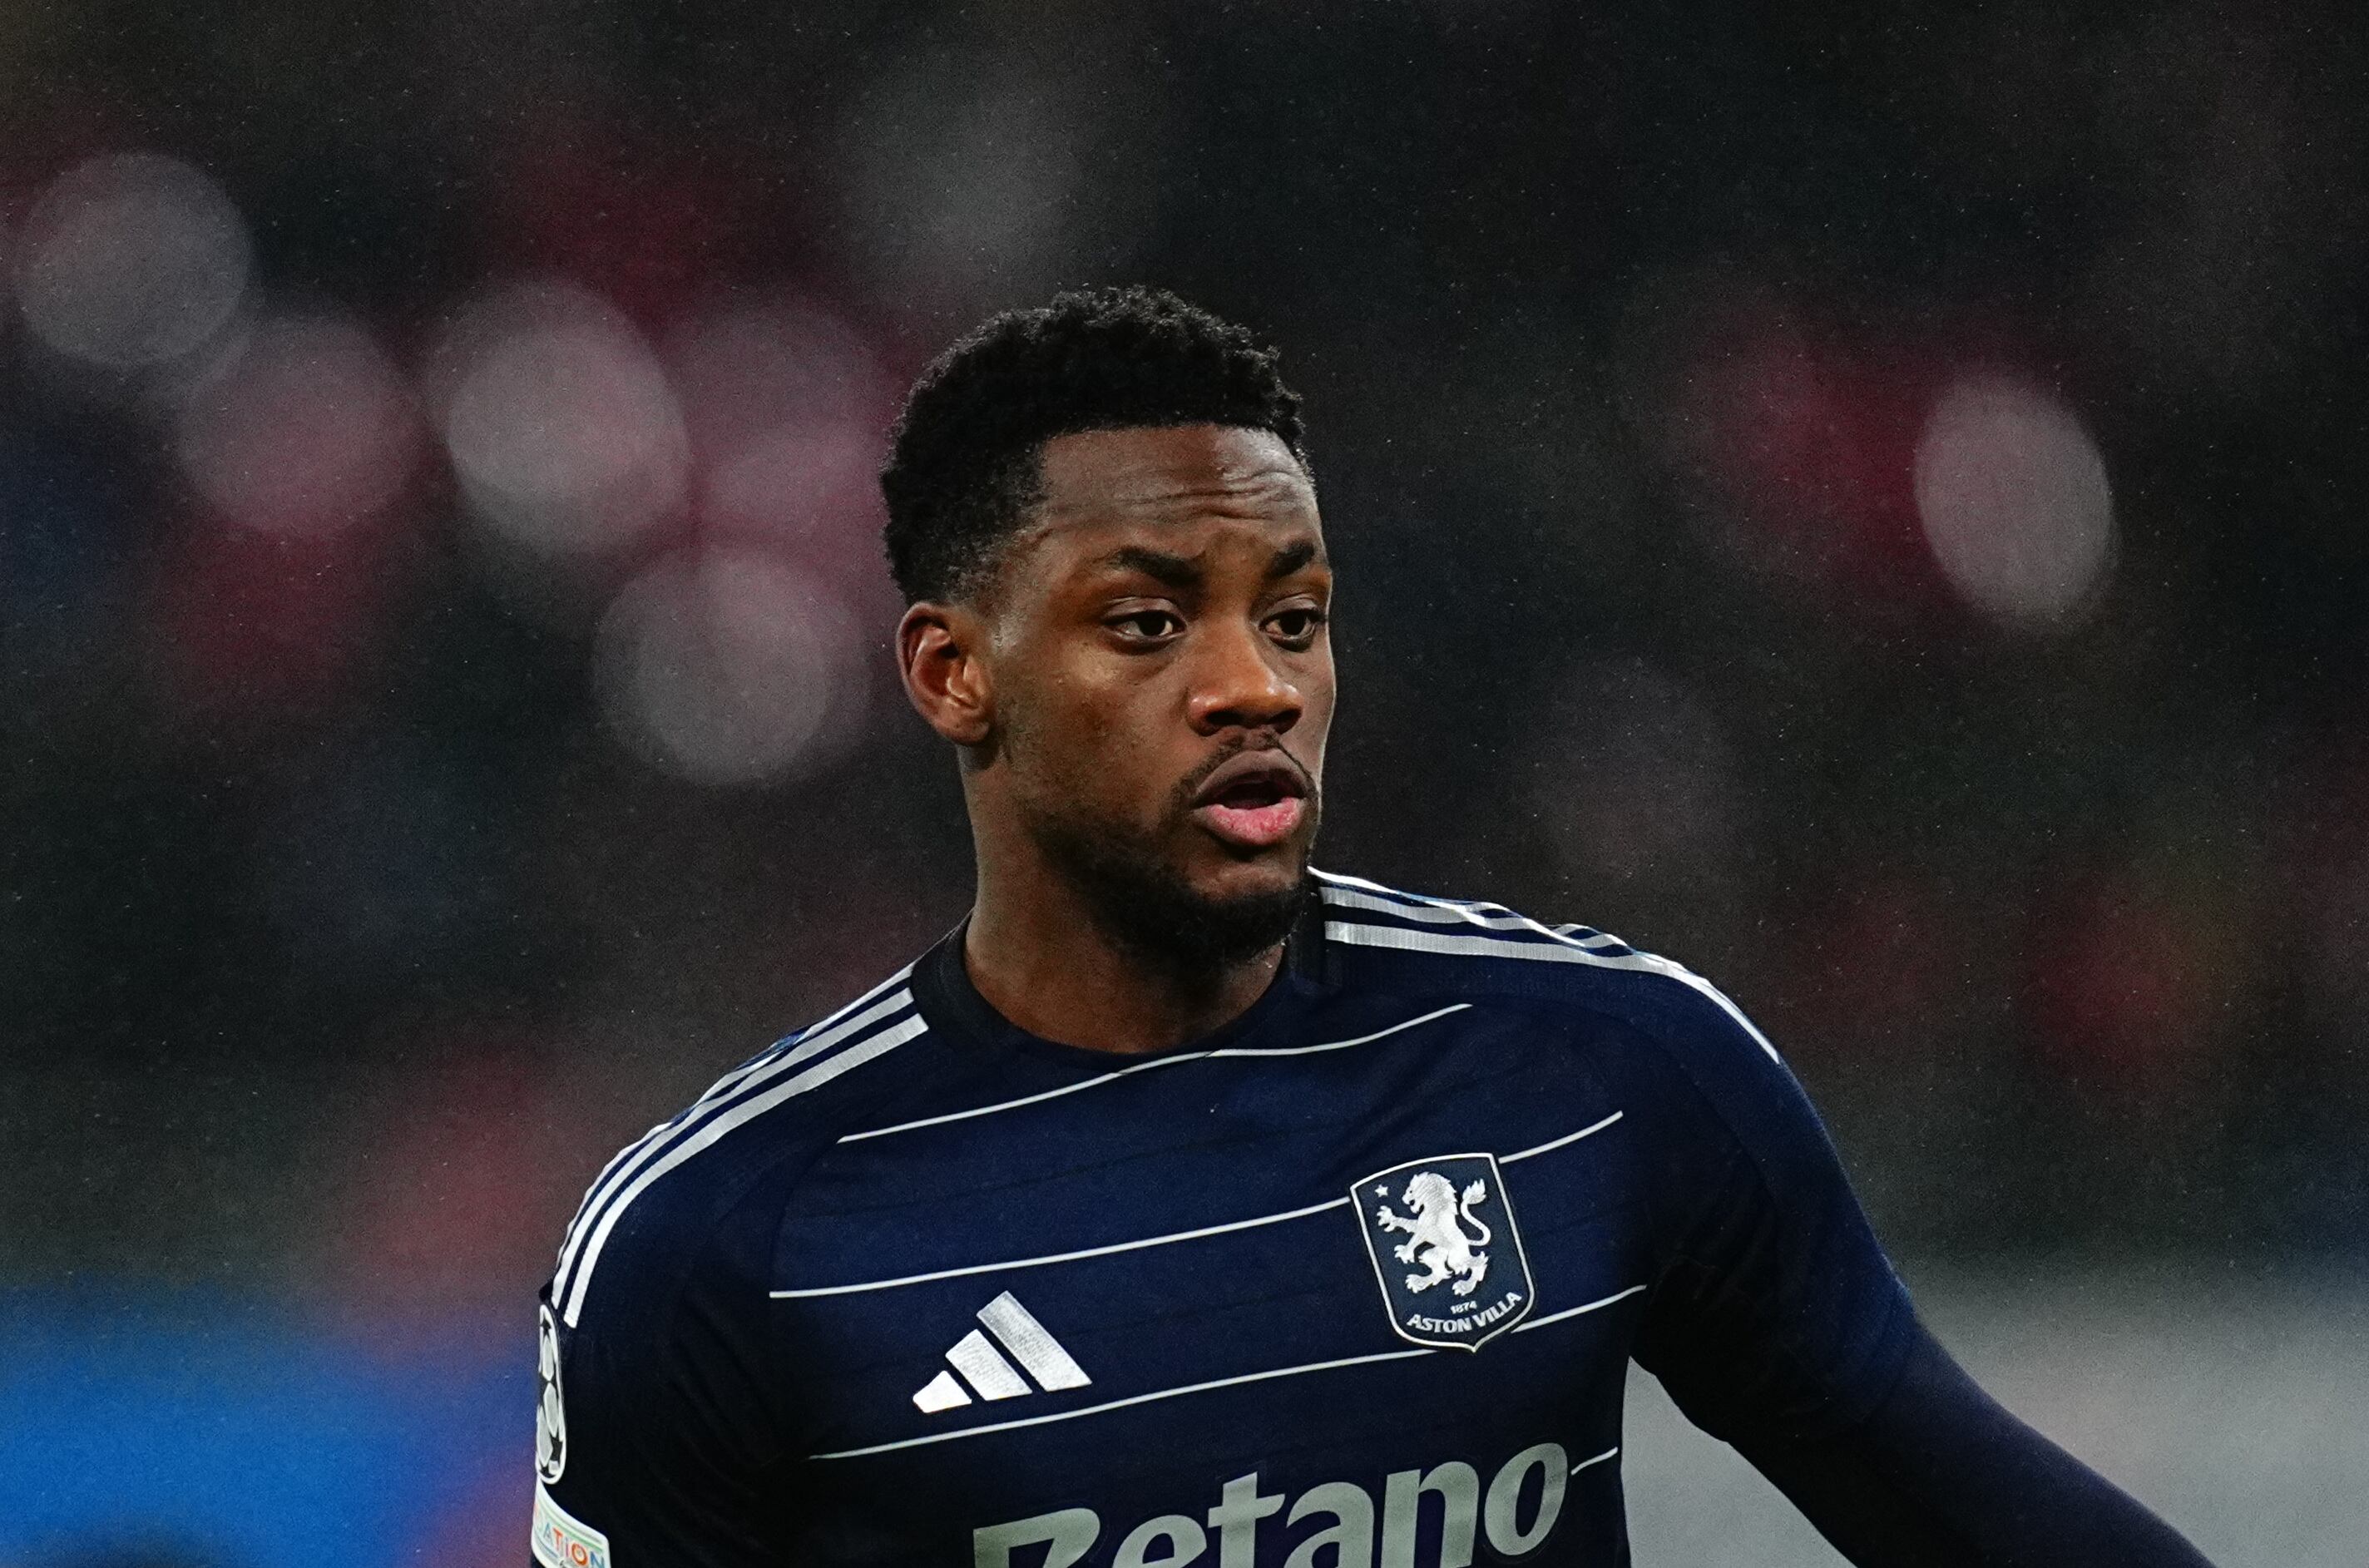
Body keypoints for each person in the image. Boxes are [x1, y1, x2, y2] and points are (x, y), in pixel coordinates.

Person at [532, 286, 2213, 1567]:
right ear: (951, 673)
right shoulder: (721, 1243)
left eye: (1292, 613)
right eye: (1145, 620)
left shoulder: (1602, 1071)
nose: (1250, 684)